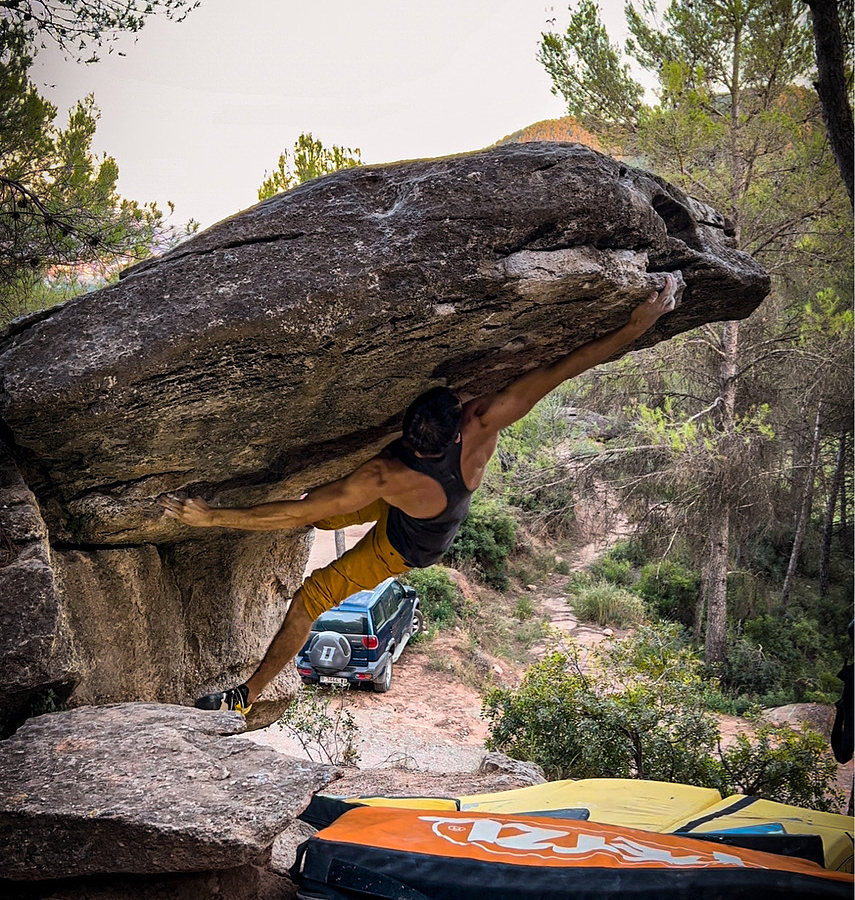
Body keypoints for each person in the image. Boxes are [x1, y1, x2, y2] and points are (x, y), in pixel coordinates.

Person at [163, 274, 679, 714]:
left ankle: (245, 695)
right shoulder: (481, 423)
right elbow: (562, 368)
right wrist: (637, 325)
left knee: (312, 591)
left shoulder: (383, 474)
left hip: (405, 547)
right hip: (414, 509)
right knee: (320, 516)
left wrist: (214, 517)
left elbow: (299, 512)